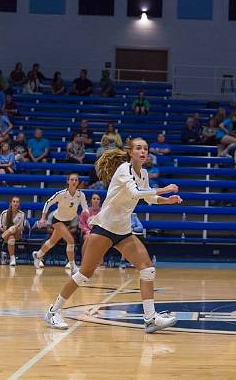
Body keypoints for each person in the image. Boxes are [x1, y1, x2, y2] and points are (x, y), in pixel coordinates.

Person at [42, 138, 182, 332]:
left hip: (123, 231)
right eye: (138, 148)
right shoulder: (124, 169)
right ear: (130, 152)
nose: (143, 151)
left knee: (147, 268)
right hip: (105, 228)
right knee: (84, 274)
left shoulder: (144, 174)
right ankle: (52, 311)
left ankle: (150, 318)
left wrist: (167, 200)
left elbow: (148, 198)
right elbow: (135, 193)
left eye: (145, 149)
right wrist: (164, 189)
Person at [33, 174, 89, 272]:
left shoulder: (81, 195)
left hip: (69, 221)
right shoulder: (61, 194)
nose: (74, 181)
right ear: (68, 181)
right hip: (57, 221)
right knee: (71, 241)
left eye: (76, 180)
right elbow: (47, 203)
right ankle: (73, 267)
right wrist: (43, 218)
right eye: (72, 179)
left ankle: (37, 255)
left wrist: (86, 214)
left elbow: (85, 208)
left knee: (51, 242)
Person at [0, 196, 26, 267]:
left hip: (18, 233)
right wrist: (6, 229)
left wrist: (14, 229)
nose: (15, 203)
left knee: (13, 228)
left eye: (17, 202)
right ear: (11, 203)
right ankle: (12, 258)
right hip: (7, 234)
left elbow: (22, 228)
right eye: (14, 201)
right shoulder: (4, 213)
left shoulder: (22, 214)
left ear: (19, 204)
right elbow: (1, 227)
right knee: (11, 238)